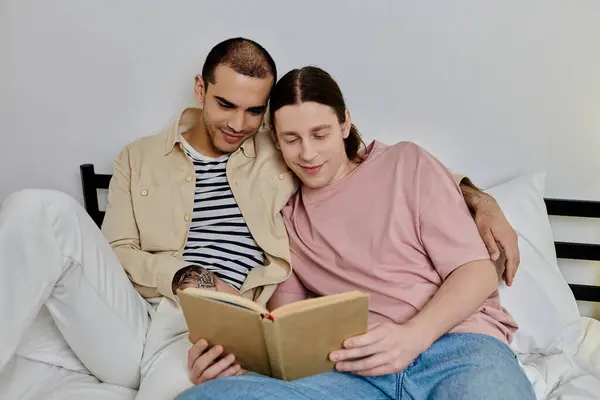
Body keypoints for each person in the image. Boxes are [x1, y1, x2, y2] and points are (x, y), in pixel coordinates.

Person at [0, 39, 519, 399]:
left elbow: (368, 160)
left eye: (254, 113)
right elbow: (117, 255)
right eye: (227, 105)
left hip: (233, 329)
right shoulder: (145, 159)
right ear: (200, 90)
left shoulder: (305, 153)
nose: (239, 124)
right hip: (145, 317)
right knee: (38, 211)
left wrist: (477, 196)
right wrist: (185, 284)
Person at [176, 66, 535, 400]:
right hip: (356, 370)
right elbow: (288, 334)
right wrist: (229, 362)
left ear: (346, 122)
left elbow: (477, 271)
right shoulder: (287, 218)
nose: (308, 153)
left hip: (457, 348)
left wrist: (412, 337)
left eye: (320, 134)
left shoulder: (405, 164)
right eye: (291, 139)